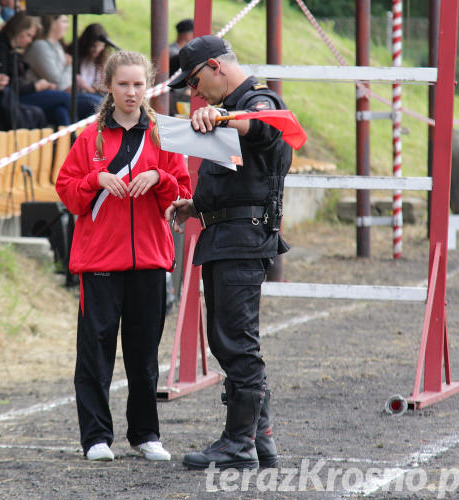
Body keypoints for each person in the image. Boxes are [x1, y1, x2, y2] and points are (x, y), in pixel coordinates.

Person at [56, 50, 191, 463]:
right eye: (123, 85)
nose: (131, 92)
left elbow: (184, 195)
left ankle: (145, 434)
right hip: (98, 263)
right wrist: (95, 179)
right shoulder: (88, 139)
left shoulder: (165, 135)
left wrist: (159, 176)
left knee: (143, 354)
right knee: (95, 354)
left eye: (138, 85)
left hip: (150, 261)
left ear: (148, 86)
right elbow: (66, 191)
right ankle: (95, 438)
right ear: (108, 86)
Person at [165, 35, 292, 471]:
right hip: (224, 234)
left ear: (216, 67)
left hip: (242, 237)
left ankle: (240, 443)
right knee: (227, 339)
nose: (195, 94)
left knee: (236, 340)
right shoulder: (233, 107)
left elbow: (265, 129)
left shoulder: (258, 101)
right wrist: (195, 205)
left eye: (197, 82)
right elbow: (237, 175)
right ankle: (260, 439)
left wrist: (223, 116)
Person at [0, 12, 76, 127]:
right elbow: (6, 83)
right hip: (11, 98)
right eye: (28, 35)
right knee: (66, 98)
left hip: (21, 93)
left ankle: (69, 141)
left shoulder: (14, 50)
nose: (30, 41)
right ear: (18, 30)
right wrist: (34, 86)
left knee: (60, 111)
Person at [23, 14, 102, 120]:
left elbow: (66, 81)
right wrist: (68, 66)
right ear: (53, 22)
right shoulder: (40, 47)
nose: (67, 26)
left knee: (64, 112)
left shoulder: (57, 46)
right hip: (43, 95)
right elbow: (58, 83)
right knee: (93, 103)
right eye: (64, 21)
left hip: (60, 97)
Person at [76, 23, 112, 94]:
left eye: (100, 46)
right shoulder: (77, 58)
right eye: (93, 46)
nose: (97, 50)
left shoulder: (104, 61)